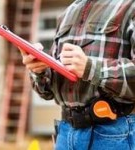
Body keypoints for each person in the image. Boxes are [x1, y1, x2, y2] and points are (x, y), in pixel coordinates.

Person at [20, 0, 135, 149]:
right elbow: (47, 93)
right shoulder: (68, 12)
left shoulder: (129, 6)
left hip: (114, 133)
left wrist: (91, 68)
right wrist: (39, 71)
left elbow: (88, 68)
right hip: (66, 134)